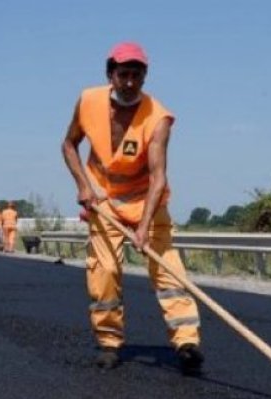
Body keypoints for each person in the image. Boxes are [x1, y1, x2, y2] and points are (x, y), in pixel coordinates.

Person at [61, 41, 203, 373]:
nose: (129, 82)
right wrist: (83, 184)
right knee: (105, 272)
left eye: (136, 75)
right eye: (123, 74)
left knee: (169, 272)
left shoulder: (158, 118)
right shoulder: (88, 101)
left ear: (145, 76)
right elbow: (69, 144)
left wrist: (143, 226)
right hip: (103, 201)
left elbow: (158, 177)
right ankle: (109, 343)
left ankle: (186, 342)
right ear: (110, 74)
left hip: (147, 203)